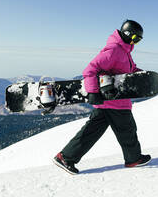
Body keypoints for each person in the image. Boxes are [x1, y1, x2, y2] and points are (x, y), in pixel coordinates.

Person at [53, 20, 151, 175]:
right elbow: (90, 70)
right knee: (127, 130)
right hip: (115, 102)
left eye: (138, 40)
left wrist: (141, 74)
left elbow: (128, 69)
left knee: (92, 132)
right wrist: (92, 92)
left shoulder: (124, 51)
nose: (135, 42)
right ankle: (133, 159)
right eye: (135, 39)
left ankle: (65, 157)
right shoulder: (114, 50)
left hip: (111, 102)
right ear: (127, 34)